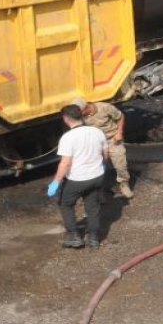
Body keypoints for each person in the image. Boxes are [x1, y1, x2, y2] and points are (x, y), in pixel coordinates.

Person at [48, 104, 108, 248]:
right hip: (97, 176)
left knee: (66, 205)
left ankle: (74, 237)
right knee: (92, 207)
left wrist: (55, 182)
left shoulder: (68, 137)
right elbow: (105, 154)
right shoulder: (97, 131)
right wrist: (101, 167)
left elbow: (65, 163)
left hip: (77, 179)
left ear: (66, 118)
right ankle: (93, 238)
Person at [74, 98, 133, 198]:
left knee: (120, 164)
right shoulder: (80, 117)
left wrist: (119, 133)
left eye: (80, 112)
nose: (79, 115)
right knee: (96, 168)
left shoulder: (104, 107)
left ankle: (124, 184)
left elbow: (120, 116)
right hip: (96, 143)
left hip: (112, 139)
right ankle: (99, 190)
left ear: (86, 108)